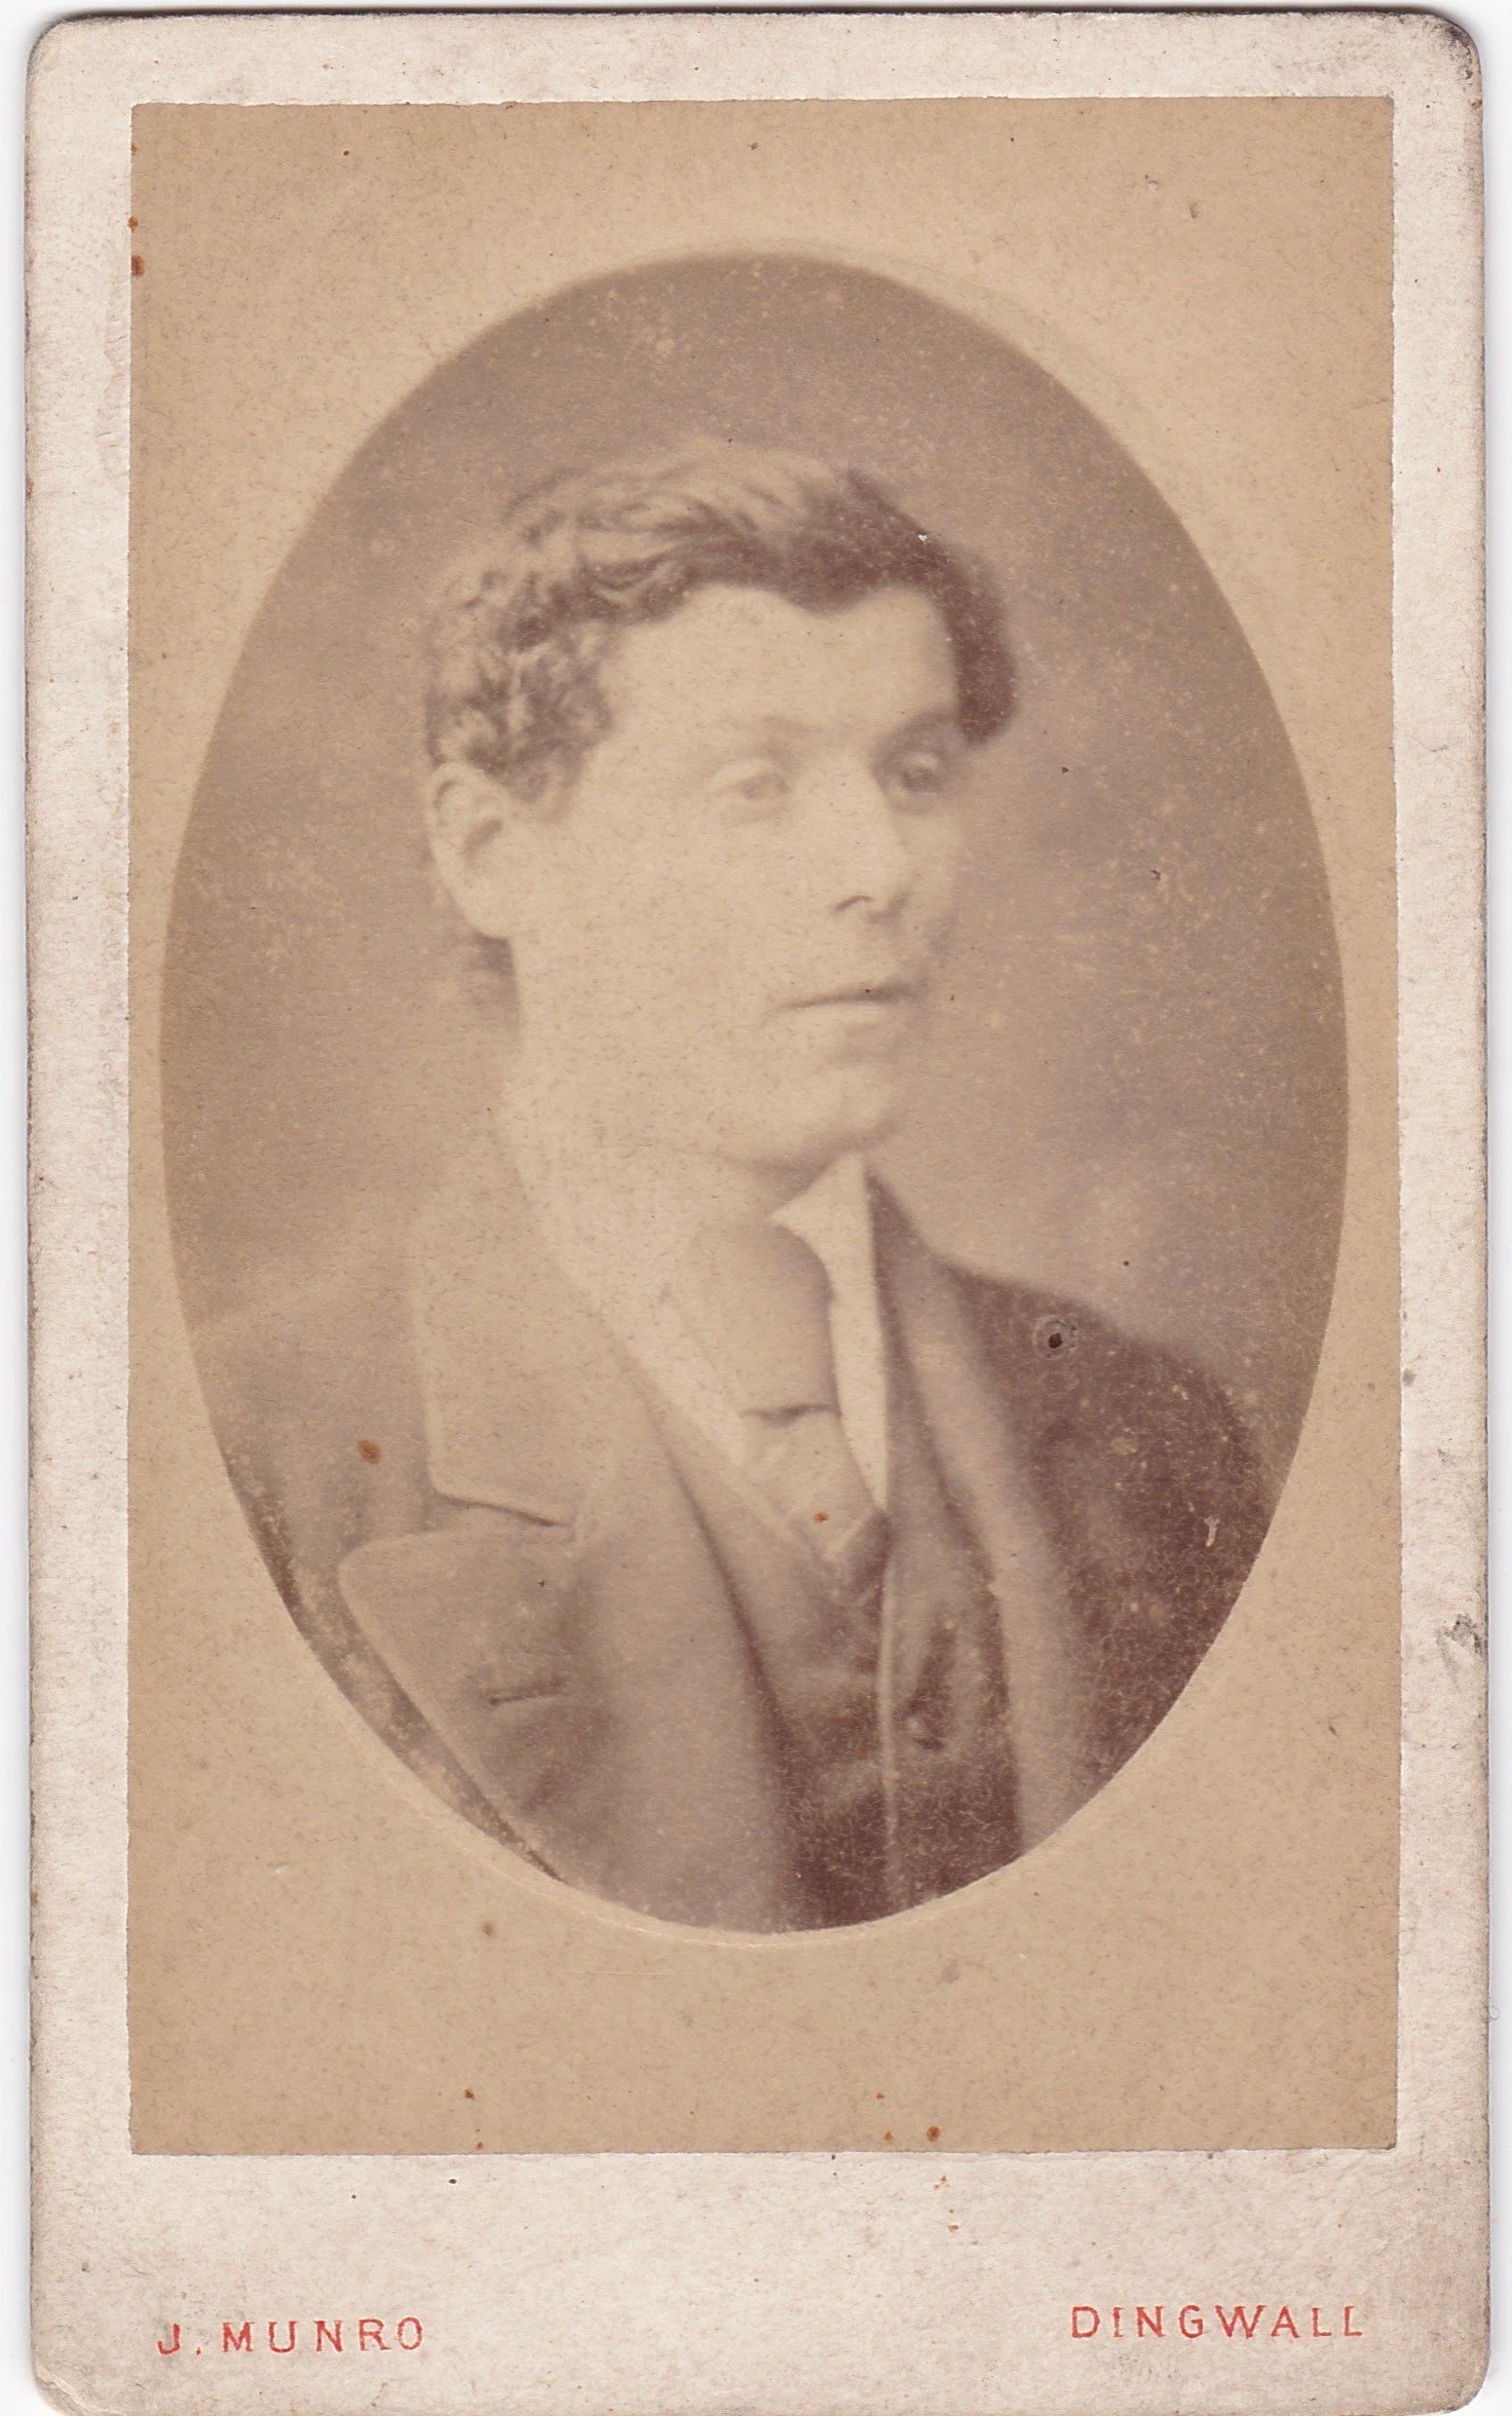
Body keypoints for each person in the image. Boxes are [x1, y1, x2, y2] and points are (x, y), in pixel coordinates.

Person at [198, 445, 1268, 1933]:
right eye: (754, 784)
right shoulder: (250, 1464)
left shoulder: (1156, 1438)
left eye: (915, 773)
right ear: (489, 851)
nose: (879, 862)